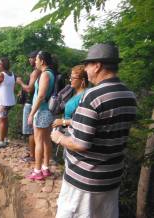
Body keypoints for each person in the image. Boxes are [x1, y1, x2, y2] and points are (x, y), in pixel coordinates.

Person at [51, 43, 137, 218]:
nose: (86, 70)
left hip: (84, 181)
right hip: (111, 178)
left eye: (88, 65)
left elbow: (80, 143)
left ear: (97, 66)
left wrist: (58, 137)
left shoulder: (93, 96)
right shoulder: (129, 95)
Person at [26, 51, 55, 180]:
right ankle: (45, 168)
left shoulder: (45, 74)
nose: (35, 62)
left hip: (41, 111)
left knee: (39, 141)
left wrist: (32, 113)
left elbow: (41, 96)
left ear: (42, 61)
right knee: (46, 141)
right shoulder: (51, 73)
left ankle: (37, 170)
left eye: (37, 60)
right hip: (47, 111)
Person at [16, 51, 41, 162]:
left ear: (37, 59)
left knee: (30, 131)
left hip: (30, 104)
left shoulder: (36, 72)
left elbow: (30, 89)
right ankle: (35, 153)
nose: (30, 60)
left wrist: (20, 83)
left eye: (31, 58)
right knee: (35, 130)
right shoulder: (42, 72)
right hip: (35, 103)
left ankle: (32, 155)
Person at [52, 65, 88, 130]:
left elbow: (82, 121)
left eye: (73, 78)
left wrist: (63, 122)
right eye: (70, 77)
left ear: (82, 80)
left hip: (74, 133)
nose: (70, 80)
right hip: (68, 129)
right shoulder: (76, 93)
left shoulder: (85, 96)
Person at [0, 57, 16, 148]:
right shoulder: (12, 74)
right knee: (5, 120)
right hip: (9, 100)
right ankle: (5, 138)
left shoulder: (1, 75)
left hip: (2, 101)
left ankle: (1, 141)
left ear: (4, 65)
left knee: (1, 120)